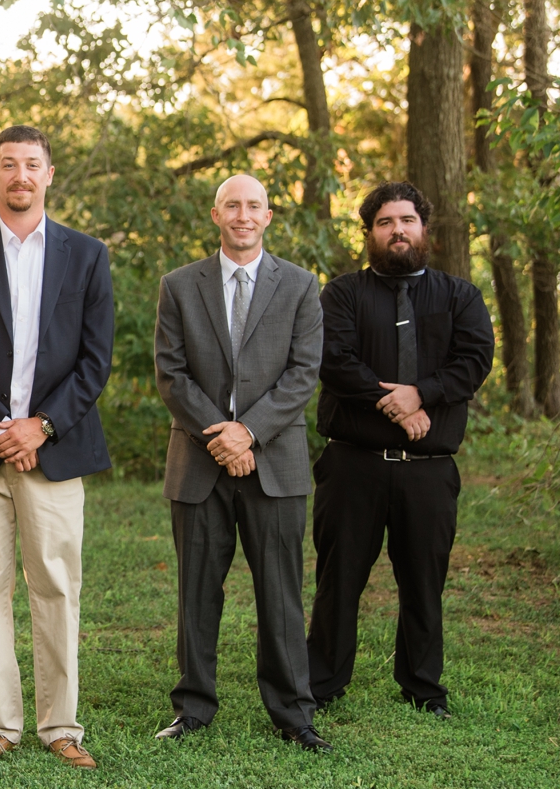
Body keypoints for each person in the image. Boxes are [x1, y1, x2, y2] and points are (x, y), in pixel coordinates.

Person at [0, 125, 114, 768]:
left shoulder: (87, 256)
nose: (21, 176)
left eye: (32, 164)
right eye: (9, 165)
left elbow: (96, 361)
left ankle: (61, 725)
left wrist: (42, 427)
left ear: (50, 174)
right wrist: (3, 429)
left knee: (57, 585)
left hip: (56, 447)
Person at [152, 174, 330, 752]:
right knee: (197, 590)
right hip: (199, 464)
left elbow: (304, 373)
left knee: (281, 592)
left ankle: (292, 714)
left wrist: (248, 433)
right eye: (233, 205)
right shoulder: (179, 286)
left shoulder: (302, 286)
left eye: (254, 205)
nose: (243, 214)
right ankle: (194, 708)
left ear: (269, 216)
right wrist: (221, 439)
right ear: (216, 214)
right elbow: (171, 374)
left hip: (275, 464)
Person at [306, 182, 494, 717]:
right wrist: (396, 405)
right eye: (385, 222)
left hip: (429, 471)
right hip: (352, 467)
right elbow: (334, 359)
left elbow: (474, 359)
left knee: (423, 580)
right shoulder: (341, 294)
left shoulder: (460, 296)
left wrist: (423, 394)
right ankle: (322, 683)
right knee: (339, 579)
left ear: (423, 229)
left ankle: (422, 686)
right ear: (369, 233)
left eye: (407, 220)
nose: (398, 231)